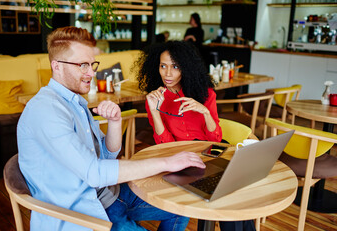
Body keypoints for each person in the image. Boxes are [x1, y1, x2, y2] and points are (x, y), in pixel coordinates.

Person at [17, 26, 206, 231]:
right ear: (57, 66)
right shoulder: (47, 110)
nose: (91, 73)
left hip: (109, 195)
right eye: (82, 65)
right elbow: (94, 172)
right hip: (84, 213)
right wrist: (167, 162)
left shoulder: (75, 103)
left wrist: (115, 123)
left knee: (182, 207)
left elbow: (107, 155)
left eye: (92, 64)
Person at [136, 40, 256, 231]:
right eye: (163, 66)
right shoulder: (154, 98)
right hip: (181, 157)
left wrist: (205, 112)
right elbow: (164, 144)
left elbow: (215, 139)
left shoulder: (205, 93)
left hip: (210, 151)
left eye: (175, 67)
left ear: (185, 67)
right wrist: (155, 112)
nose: (168, 73)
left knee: (233, 193)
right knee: (222, 193)